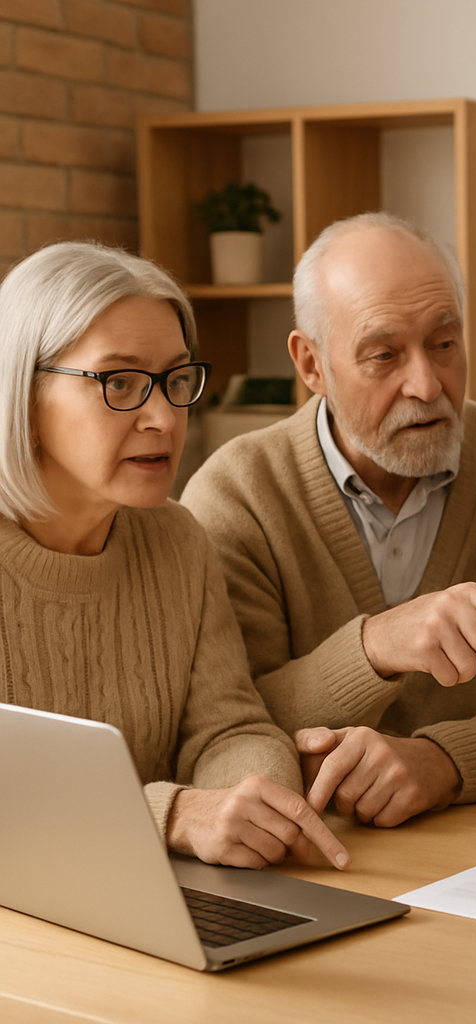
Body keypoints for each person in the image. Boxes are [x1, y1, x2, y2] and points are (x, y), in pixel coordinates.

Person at [181, 213, 476, 828]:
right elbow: (229, 724)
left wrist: (446, 761)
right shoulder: (238, 494)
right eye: (384, 355)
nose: (425, 384)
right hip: (337, 864)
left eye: (444, 344)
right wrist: (374, 648)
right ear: (311, 364)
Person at [0, 241, 349, 872]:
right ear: (23, 395)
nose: (163, 416)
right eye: (121, 382)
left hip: (149, 896)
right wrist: (175, 814)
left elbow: (231, 728)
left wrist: (252, 799)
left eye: (175, 379)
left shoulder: (176, 541)